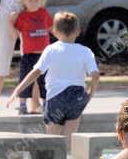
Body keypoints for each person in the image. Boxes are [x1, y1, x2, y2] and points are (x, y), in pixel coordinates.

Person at [6, 11, 99, 145]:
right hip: (77, 96)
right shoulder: (86, 51)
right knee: (70, 141)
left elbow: (36, 72)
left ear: (54, 31)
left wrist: (17, 90)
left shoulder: (51, 49)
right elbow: (95, 75)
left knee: (52, 141)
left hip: (56, 97)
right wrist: (90, 93)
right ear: (78, 31)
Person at [13, 0, 51, 114]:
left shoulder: (44, 13)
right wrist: (10, 21)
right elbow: (16, 32)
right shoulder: (22, 16)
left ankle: (46, 105)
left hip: (44, 54)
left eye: (36, 0)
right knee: (25, 78)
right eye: (30, 0)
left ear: (41, 0)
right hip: (28, 54)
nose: (34, 3)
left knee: (45, 80)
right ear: (24, 0)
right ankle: (22, 105)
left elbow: (50, 28)